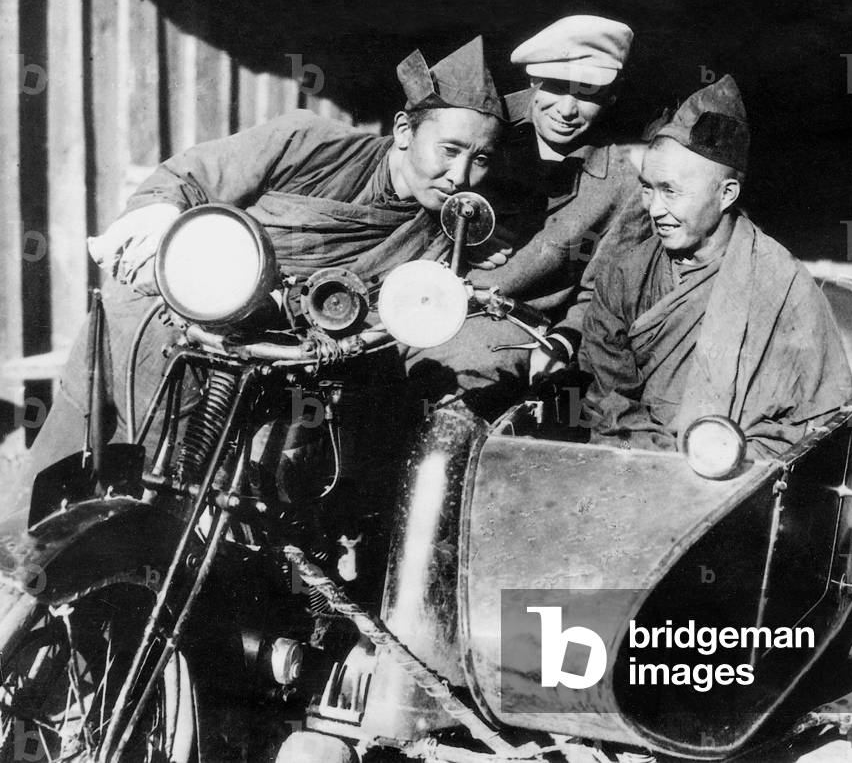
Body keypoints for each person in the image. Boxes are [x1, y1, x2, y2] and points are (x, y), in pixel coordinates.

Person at [13, 37, 510, 511]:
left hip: (263, 375)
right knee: (54, 497)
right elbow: (184, 182)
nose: (462, 176)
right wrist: (172, 252)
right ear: (404, 131)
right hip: (164, 330)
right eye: (450, 150)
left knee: (195, 521)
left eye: (481, 158)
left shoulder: (444, 238)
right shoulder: (306, 141)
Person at [579, 75, 852, 457]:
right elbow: (605, 397)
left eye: (671, 191)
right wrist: (664, 459)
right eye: (648, 188)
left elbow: (809, 424)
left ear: (726, 194)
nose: (654, 209)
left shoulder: (782, 286)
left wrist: (715, 459)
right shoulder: (625, 274)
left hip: (731, 481)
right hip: (632, 467)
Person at [454, 15, 650, 385]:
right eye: (557, 86)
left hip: (505, 331)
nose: (566, 109)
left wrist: (562, 341)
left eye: (587, 93)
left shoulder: (624, 189)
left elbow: (600, 294)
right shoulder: (479, 126)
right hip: (421, 300)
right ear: (534, 81)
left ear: (611, 95)